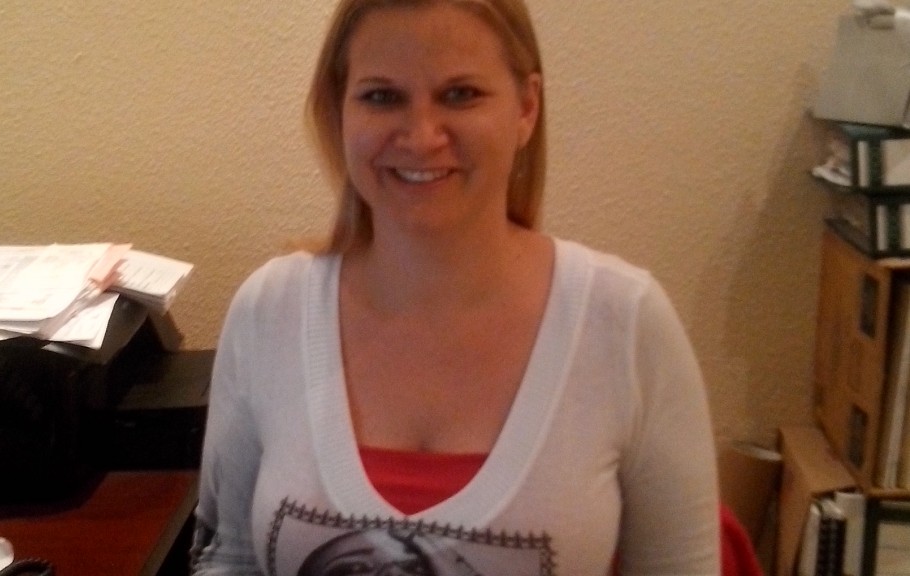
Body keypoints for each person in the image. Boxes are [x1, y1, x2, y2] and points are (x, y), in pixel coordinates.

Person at [190, 0, 720, 574]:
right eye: (382, 96)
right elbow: (228, 559)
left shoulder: (627, 323)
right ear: (339, 110)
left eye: (460, 94)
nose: (421, 137)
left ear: (526, 107)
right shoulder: (268, 310)